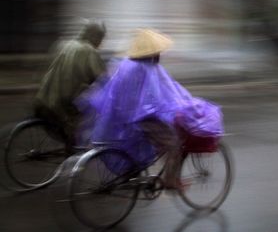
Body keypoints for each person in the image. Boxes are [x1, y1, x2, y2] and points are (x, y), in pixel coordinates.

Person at [77, 29, 224, 188]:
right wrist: (185, 104)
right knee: (173, 143)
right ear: (153, 53)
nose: (160, 55)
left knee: (155, 144)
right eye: (159, 52)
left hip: (125, 115)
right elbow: (163, 95)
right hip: (143, 117)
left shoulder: (127, 63)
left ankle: (138, 173)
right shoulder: (147, 68)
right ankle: (171, 181)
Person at [34, 20, 107, 154]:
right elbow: (101, 77)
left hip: (46, 96)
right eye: (100, 38)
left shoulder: (66, 44)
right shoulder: (88, 50)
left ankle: (71, 146)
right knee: (87, 112)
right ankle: (72, 152)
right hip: (64, 102)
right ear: (95, 36)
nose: (100, 43)